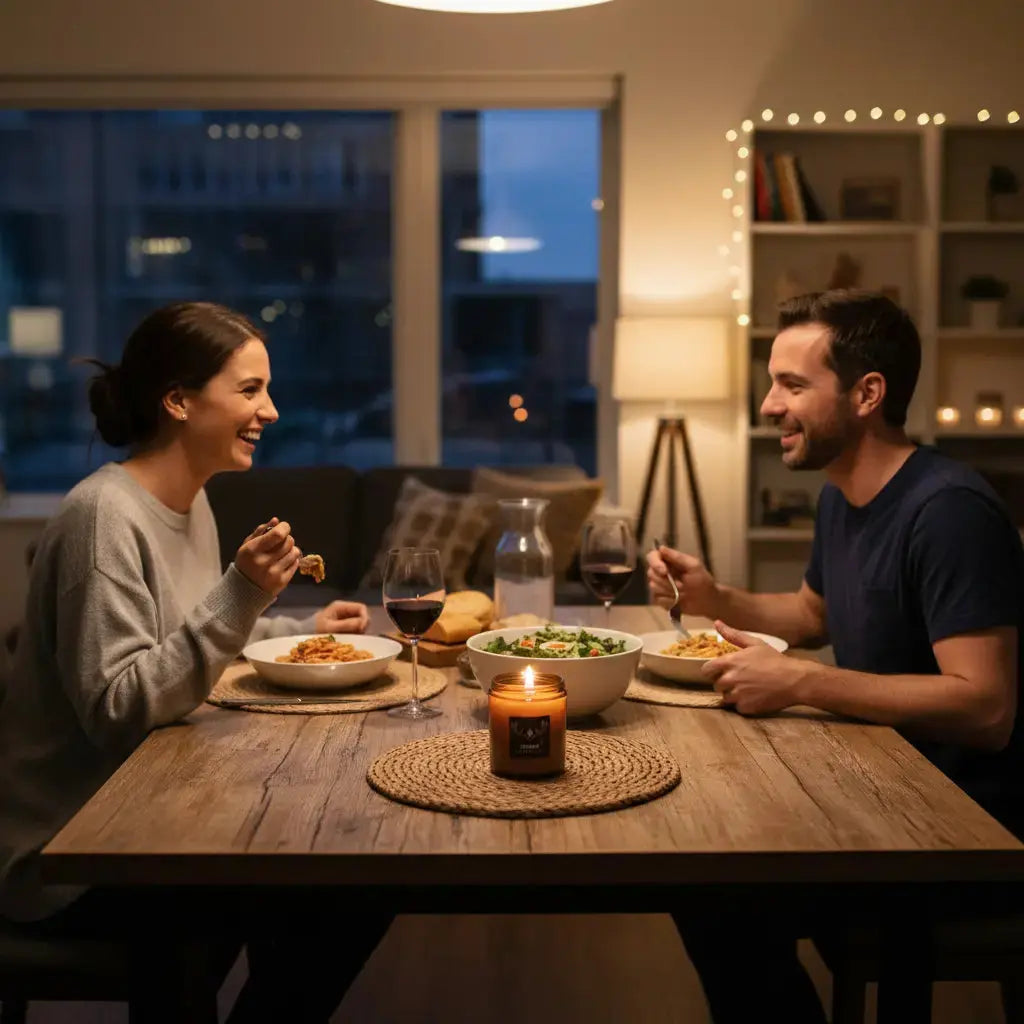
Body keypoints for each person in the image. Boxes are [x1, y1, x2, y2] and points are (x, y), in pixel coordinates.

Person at [0, 302, 388, 1020]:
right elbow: (122, 711)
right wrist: (242, 592)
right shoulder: (102, 519)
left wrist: (297, 622)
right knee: (342, 885)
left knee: (347, 868)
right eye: (249, 390)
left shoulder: (192, 503)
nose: (270, 410)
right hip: (71, 857)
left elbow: (181, 648)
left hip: (154, 819)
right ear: (178, 400)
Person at [648, 289, 1024, 1023]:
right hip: (881, 789)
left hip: (963, 826)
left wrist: (804, 682)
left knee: (716, 890)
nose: (767, 405)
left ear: (866, 394)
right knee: (705, 867)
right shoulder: (841, 497)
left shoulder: (948, 512)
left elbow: (986, 706)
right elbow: (813, 615)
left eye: (792, 384)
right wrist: (715, 596)